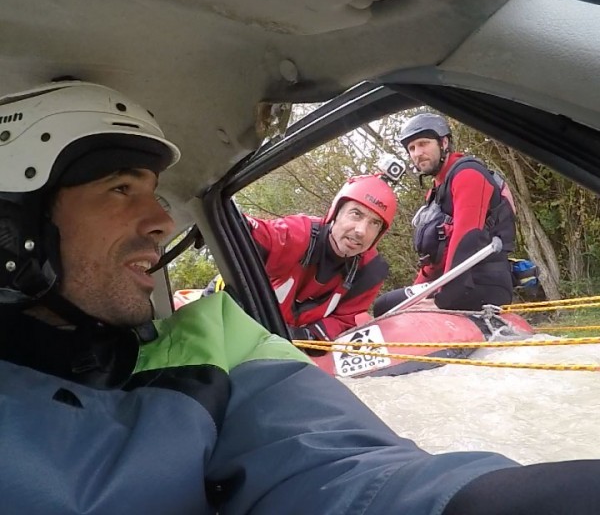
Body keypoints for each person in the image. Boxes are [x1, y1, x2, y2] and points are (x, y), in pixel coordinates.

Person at [2, 80, 600, 515]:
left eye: (371, 223)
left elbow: (334, 462)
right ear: (16, 224)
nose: (162, 219)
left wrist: (478, 501)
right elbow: (257, 239)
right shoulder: (293, 236)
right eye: (120, 189)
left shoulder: (221, 342)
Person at [374, 112, 516, 317]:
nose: (417, 153)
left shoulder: (468, 174)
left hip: (482, 284)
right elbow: (432, 262)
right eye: (411, 148)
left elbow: (467, 240)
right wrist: (415, 293)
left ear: (444, 142)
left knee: (386, 306)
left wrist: (445, 298)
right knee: (386, 305)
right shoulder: (436, 190)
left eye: (423, 144)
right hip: (451, 282)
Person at [245, 174, 396, 341]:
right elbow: (254, 232)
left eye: (374, 223)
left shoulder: (370, 271)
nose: (361, 231)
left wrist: (309, 336)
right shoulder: (299, 233)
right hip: (245, 318)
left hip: (286, 346)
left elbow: (345, 319)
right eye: (356, 214)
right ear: (336, 213)